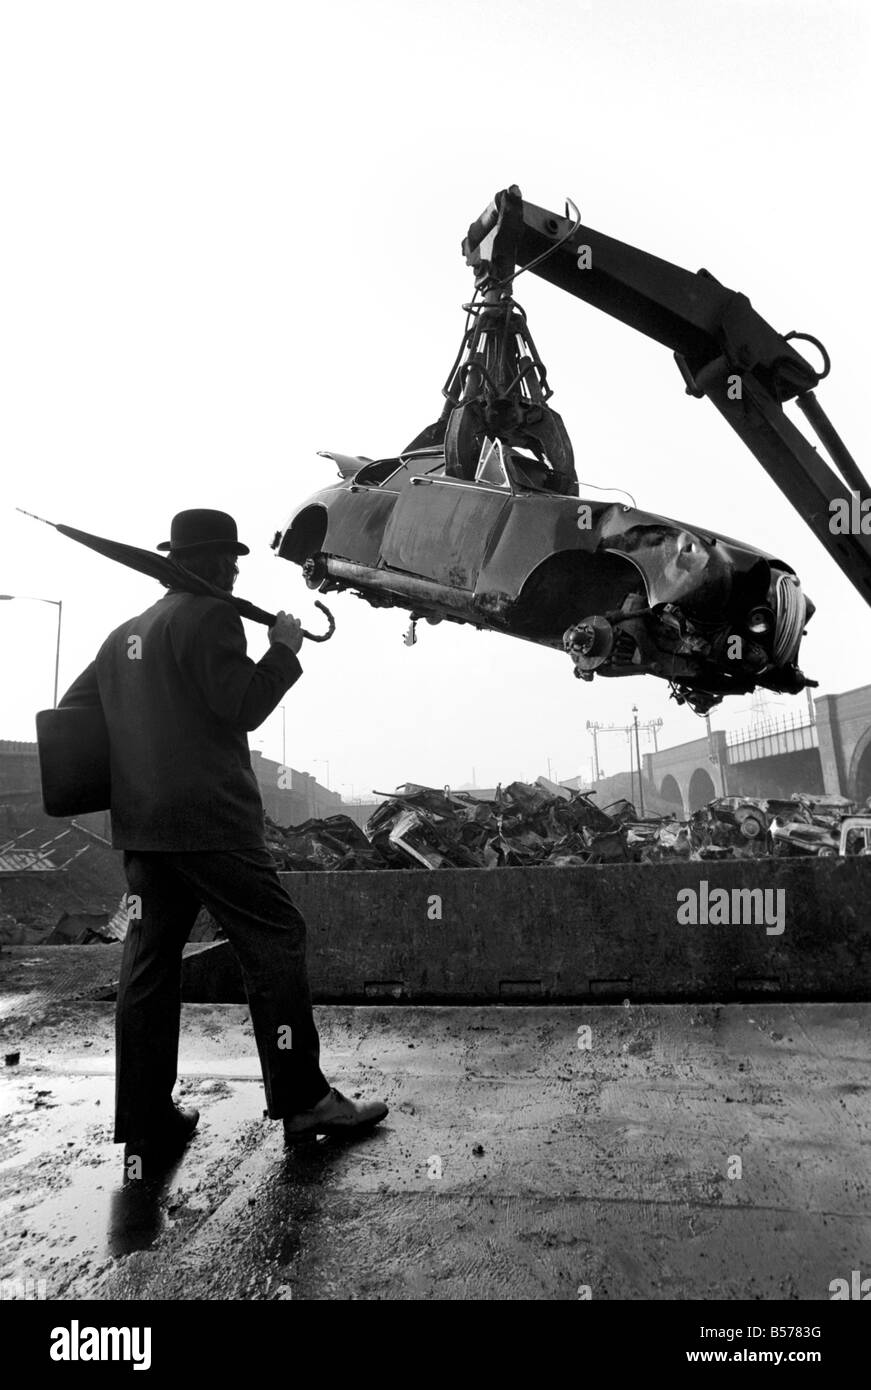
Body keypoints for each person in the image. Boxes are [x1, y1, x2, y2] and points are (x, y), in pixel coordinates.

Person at [58, 508, 387, 1164]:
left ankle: (146, 1117)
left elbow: (72, 712)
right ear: (206, 565)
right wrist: (283, 651)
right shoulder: (211, 617)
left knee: (149, 967)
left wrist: (136, 767)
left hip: (146, 834)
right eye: (229, 561)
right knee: (274, 941)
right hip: (210, 824)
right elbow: (242, 705)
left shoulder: (124, 635)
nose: (236, 570)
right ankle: (302, 1101)